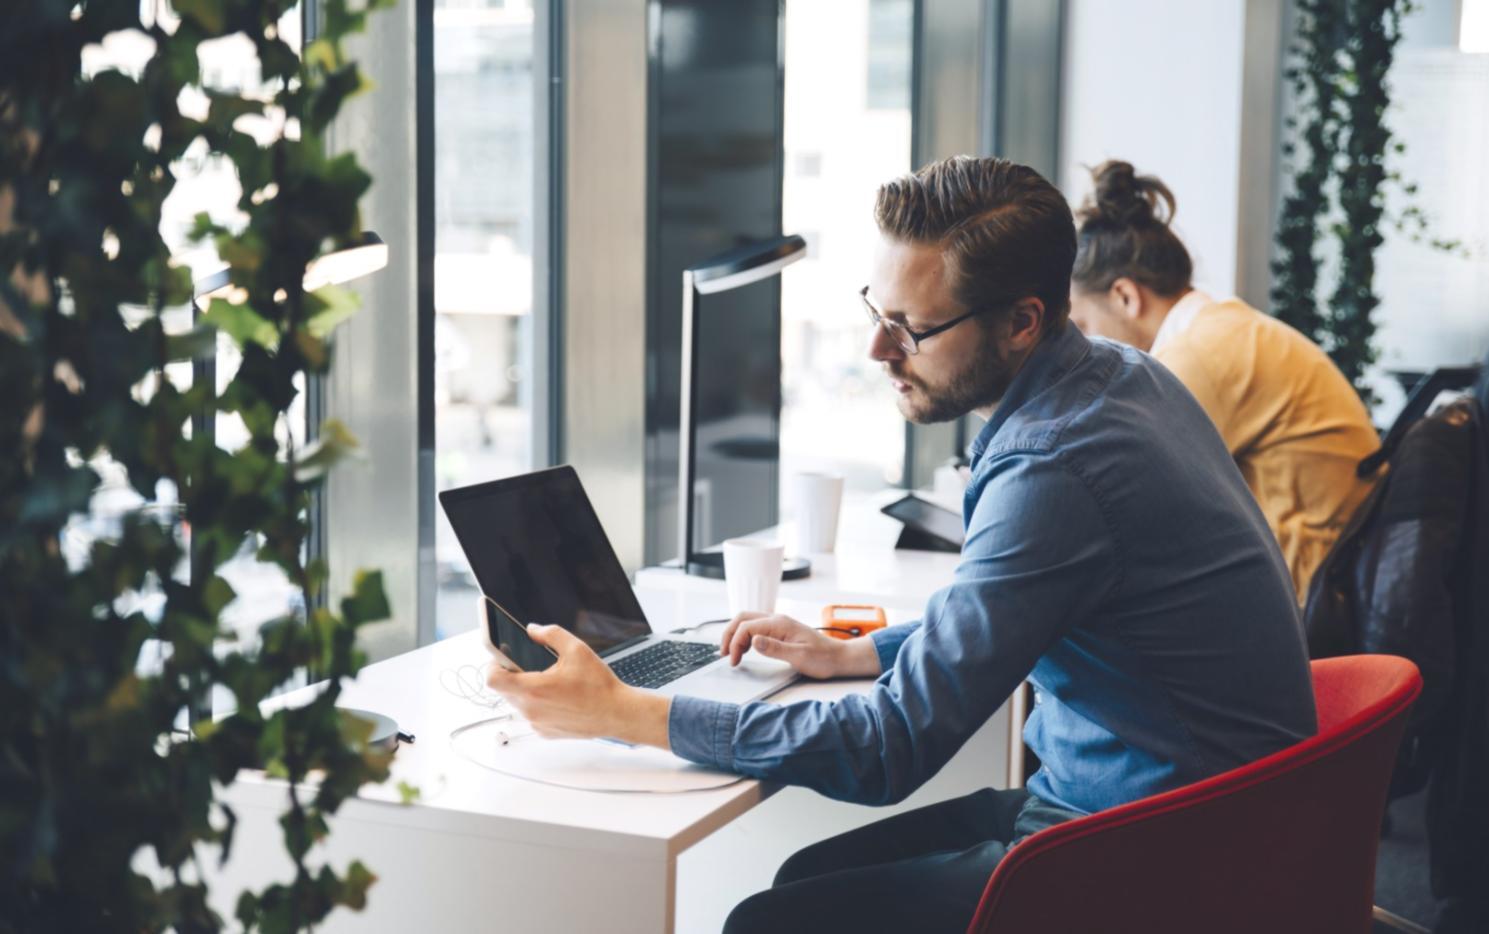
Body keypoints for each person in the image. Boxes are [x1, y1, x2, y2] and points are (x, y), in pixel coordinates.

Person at [488, 156, 1317, 934]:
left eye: (910, 328)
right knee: (802, 876)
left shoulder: (1055, 468)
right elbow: (1005, 612)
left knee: (767, 922)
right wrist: (853, 653)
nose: (877, 350)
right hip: (1184, 804)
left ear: (1022, 322)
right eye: (876, 312)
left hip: (1163, 849)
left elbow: (887, 750)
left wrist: (625, 713)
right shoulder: (1117, 376)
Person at [1066, 160, 1380, 604]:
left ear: (1125, 296)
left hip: (1307, 592)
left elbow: (1115, 496)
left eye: (1082, 324)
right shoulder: (1224, 329)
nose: (1082, 344)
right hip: (1327, 573)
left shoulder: (1198, 356)